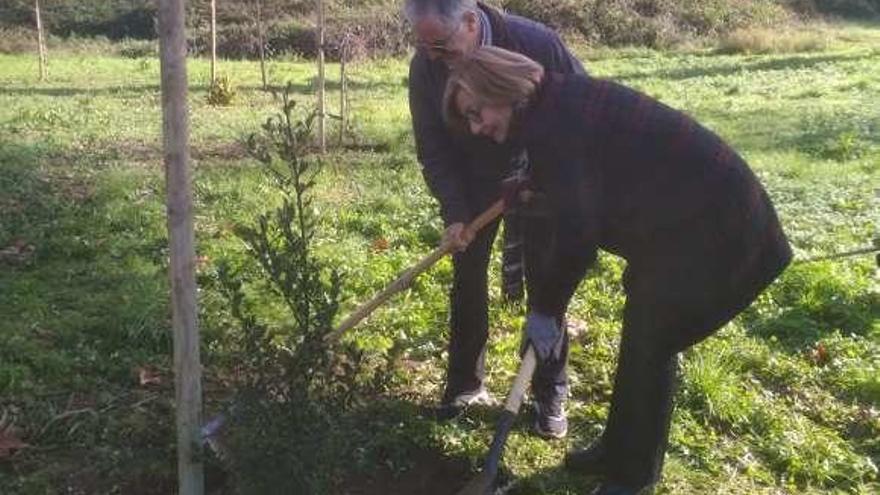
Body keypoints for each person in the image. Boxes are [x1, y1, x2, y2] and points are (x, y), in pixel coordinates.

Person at [442, 46, 792, 495]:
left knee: (652, 339)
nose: (478, 127)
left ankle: (632, 477)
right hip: (682, 226)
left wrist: (546, 310)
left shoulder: (555, 123)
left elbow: (577, 235)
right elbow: (590, 173)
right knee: (644, 332)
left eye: (476, 112)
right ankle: (619, 449)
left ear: (499, 87)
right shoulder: (554, 103)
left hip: (721, 230)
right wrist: (536, 185)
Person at [405, 0, 585, 438]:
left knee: (547, 281)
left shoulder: (536, 45)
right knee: (467, 273)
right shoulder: (427, 66)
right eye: (423, 45)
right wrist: (454, 213)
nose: (433, 56)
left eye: (442, 46)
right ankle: (464, 386)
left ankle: (548, 391)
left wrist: (550, 177)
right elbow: (434, 149)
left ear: (469, 22)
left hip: (543, 175)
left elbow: (585, 114)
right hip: (474, 180)